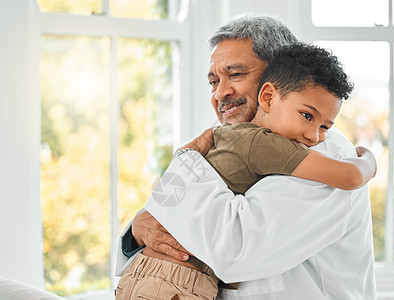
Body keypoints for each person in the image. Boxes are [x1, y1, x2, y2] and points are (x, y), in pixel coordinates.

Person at [116, 15, 377, 299]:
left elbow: (233, 252)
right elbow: (162, 215)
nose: (220, 93)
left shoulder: (317, 150)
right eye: (214, 81)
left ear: (276, 78)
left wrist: (186, 159)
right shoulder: (230, 140)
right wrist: (138, 230)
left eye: (236, 74)